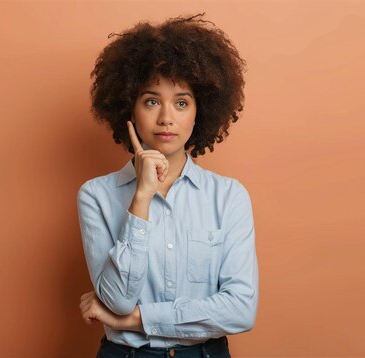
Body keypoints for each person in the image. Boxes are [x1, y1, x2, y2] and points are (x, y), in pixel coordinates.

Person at [77, 13, 259, 358]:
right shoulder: (96, 195)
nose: (166, 118)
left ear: (199, 112)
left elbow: (240, 309)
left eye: (181, 102)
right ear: (127, 108)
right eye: (151, 101)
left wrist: (135, 320)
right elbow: (116, 298)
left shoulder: (229, 196)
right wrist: (141, 197)